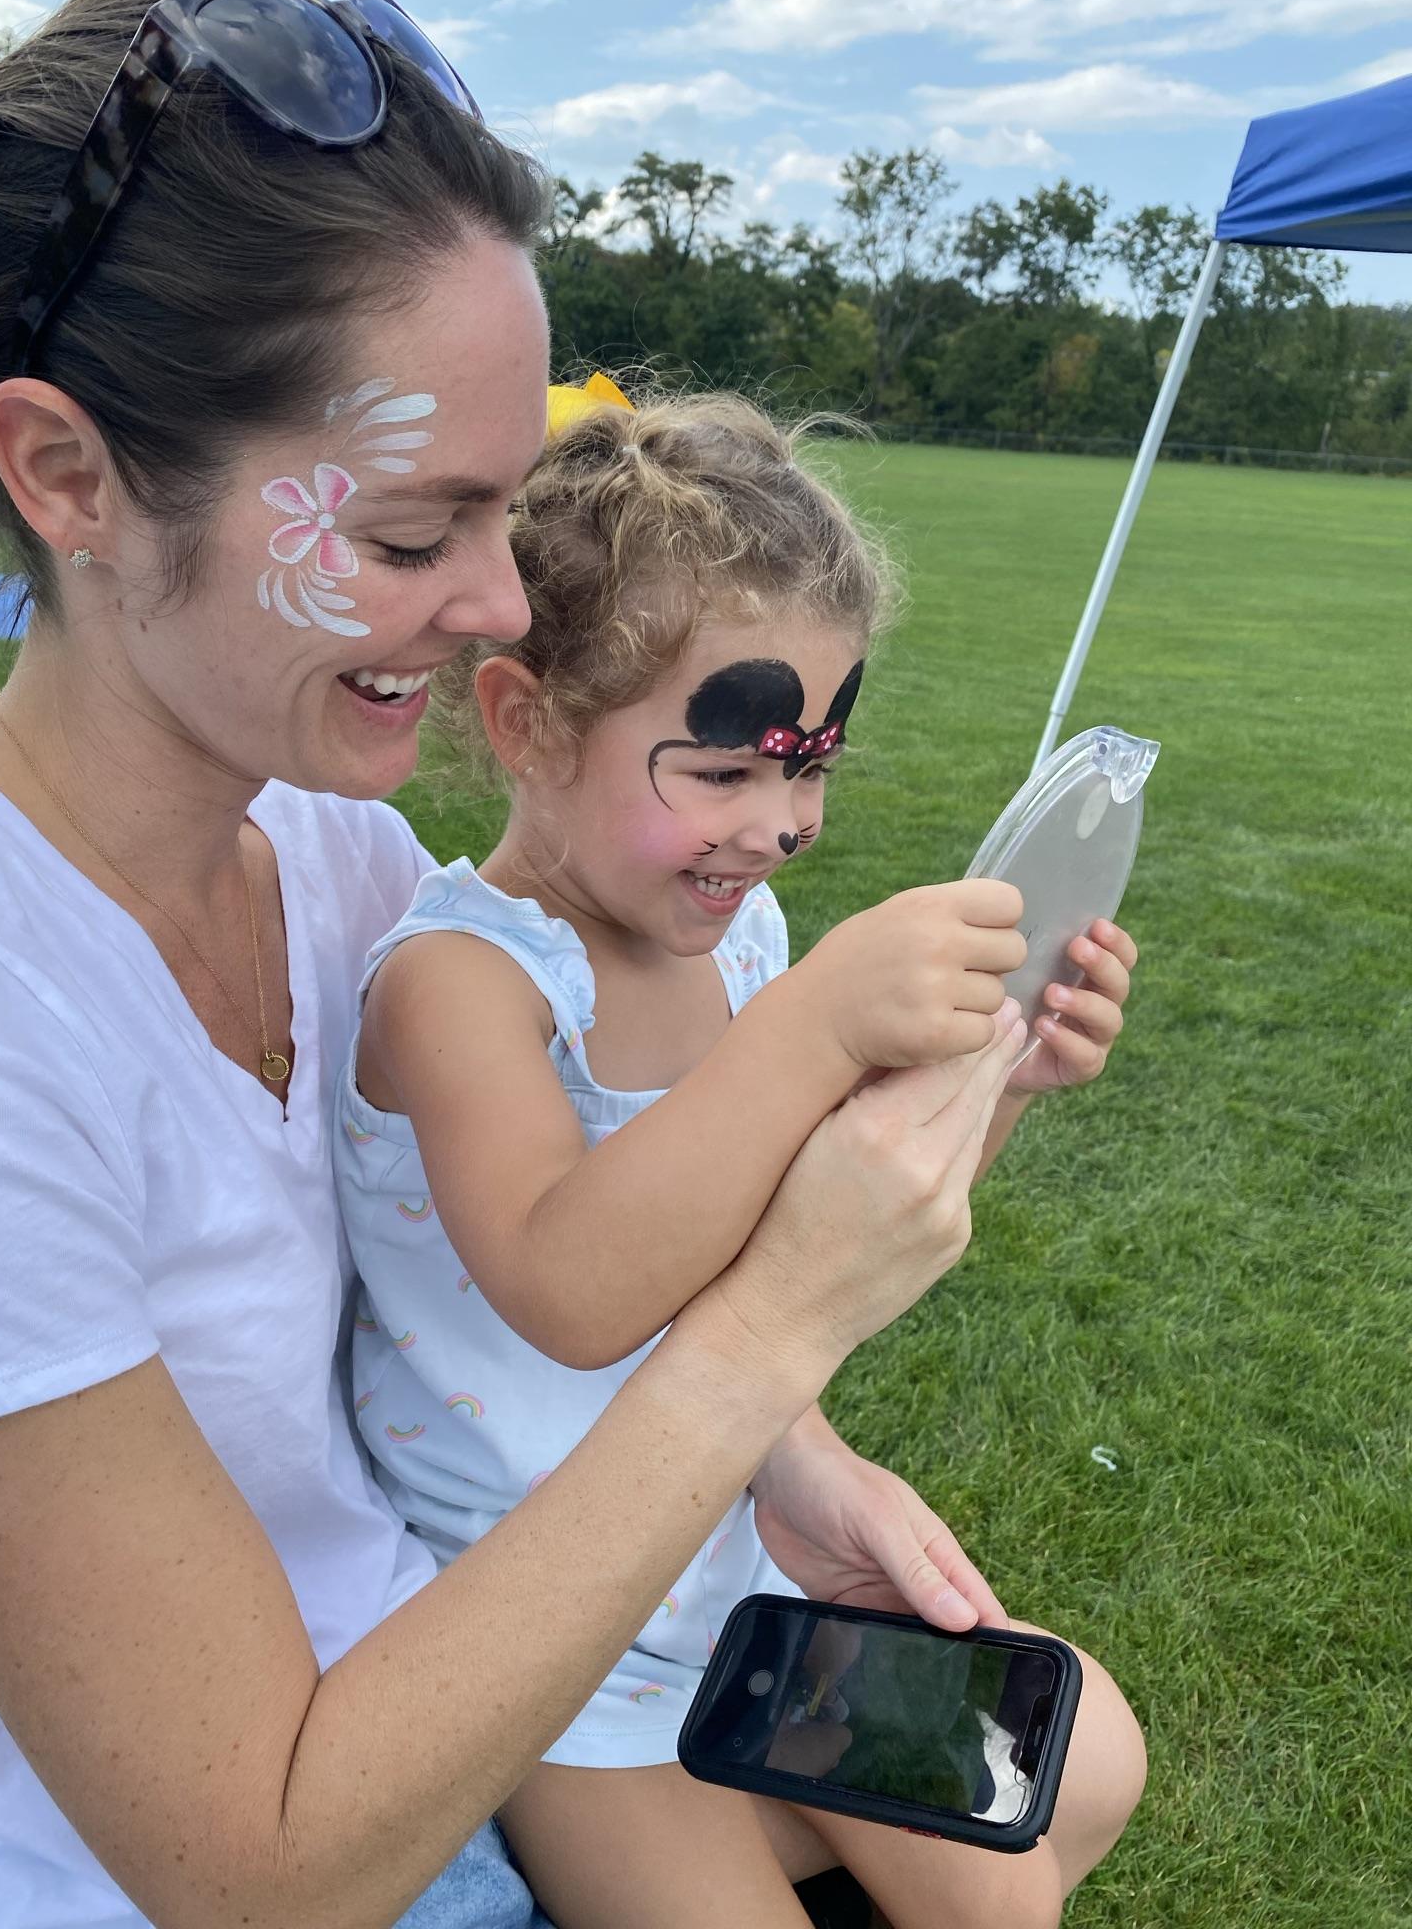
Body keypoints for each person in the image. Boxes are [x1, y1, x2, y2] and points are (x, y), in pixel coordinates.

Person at [0, 0, 1142, 1929]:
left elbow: (508, 1297)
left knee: (1058, 1785)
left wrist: (799, 1455)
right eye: (407, 535)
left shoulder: (346, 862)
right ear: (69, 475)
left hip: (523, 1709)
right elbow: (260, 1868)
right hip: (283, 1859)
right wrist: (772, 1341)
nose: (497, 606)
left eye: (510, 508)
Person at [337, 386, 1146, 1928]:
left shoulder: (744, 939)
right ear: (524, 724)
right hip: (540, 1646)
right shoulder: (462, 981)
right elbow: (572, 1284)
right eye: (723, 770)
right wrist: (818, 1029)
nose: (781, 827)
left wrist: (1003, 1082)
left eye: (811, 765)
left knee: (1069, 1792)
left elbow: (814, 1238)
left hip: (740, 1566)